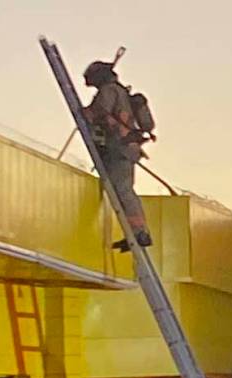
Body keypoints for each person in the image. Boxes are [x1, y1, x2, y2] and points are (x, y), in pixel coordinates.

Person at [81, 59, 153, 252]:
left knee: (123, 191)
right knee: (124, 190)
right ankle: (136, 232)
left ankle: (139, 233)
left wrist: (83, 113)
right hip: (126, 148)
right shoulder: (121, 92)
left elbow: (99, 113)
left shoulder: (109, 91)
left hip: (118, 147)